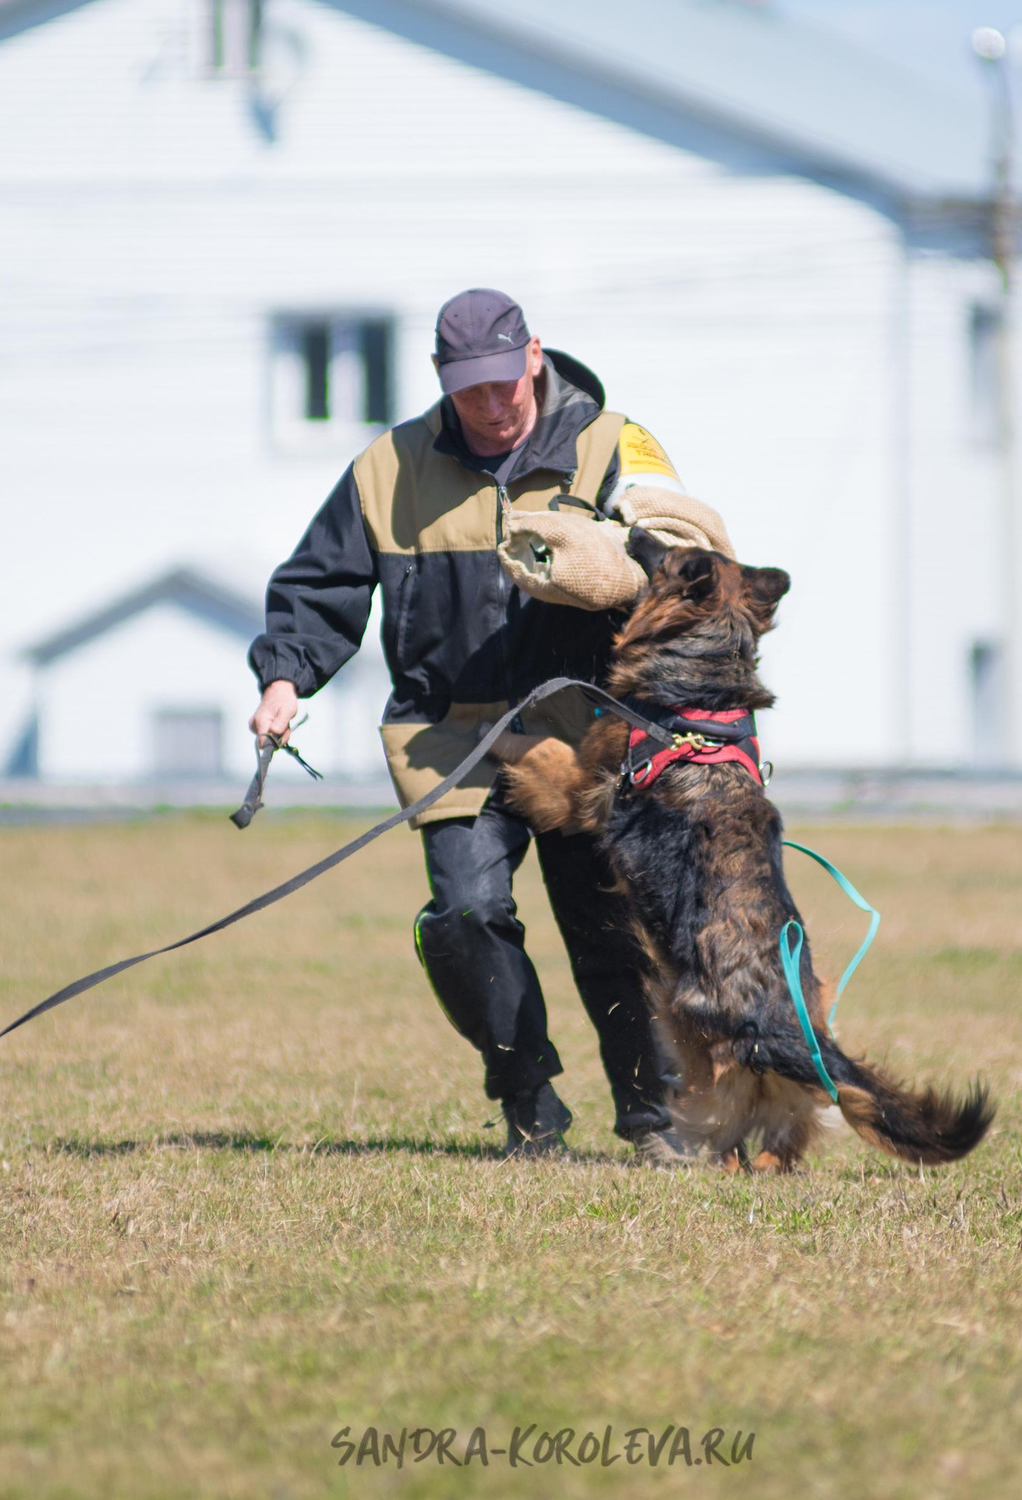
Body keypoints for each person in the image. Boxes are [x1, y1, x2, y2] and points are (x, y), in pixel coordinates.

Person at [248, 288, 715, 1164]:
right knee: (464, 915)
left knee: (611, 925)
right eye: (472, 391)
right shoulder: (387, 469)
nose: (494, 405)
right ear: (440, 379)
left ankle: (658, 1118)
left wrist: (623, 563)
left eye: (506, 382)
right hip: (448, 733)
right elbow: (319, 586)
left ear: (534, 356)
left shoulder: (611, 442)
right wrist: (284, 674)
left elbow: (678, 537)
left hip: (586, 732)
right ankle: (528, 1099)